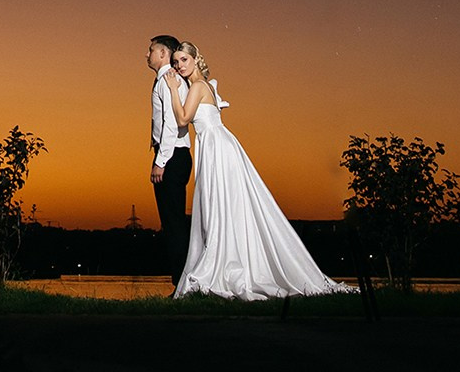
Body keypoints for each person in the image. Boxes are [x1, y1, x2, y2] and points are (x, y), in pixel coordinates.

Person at [169, 42, 353, 300]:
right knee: (221, 206)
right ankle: (225, 258)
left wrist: (172, 90)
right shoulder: (202, 85)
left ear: (195, 59)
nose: (179, 66)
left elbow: (182, 119)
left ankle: (224, 265)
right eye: (176, 62)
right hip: (216, 145)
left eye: (184, 60)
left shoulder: (199, 86)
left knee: (219, 205)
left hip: (216, 147)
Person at [146, 34, 192, 282]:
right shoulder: (167, 80)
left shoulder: (167, 80)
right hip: (174, 154)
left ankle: (182, 282)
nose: (147, 54)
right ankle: (182, 280)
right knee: (173, 221)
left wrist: (160, 161)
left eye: (151, 50)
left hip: (172, 156)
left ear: (163, 53)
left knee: (173, 223)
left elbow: (171, 124)